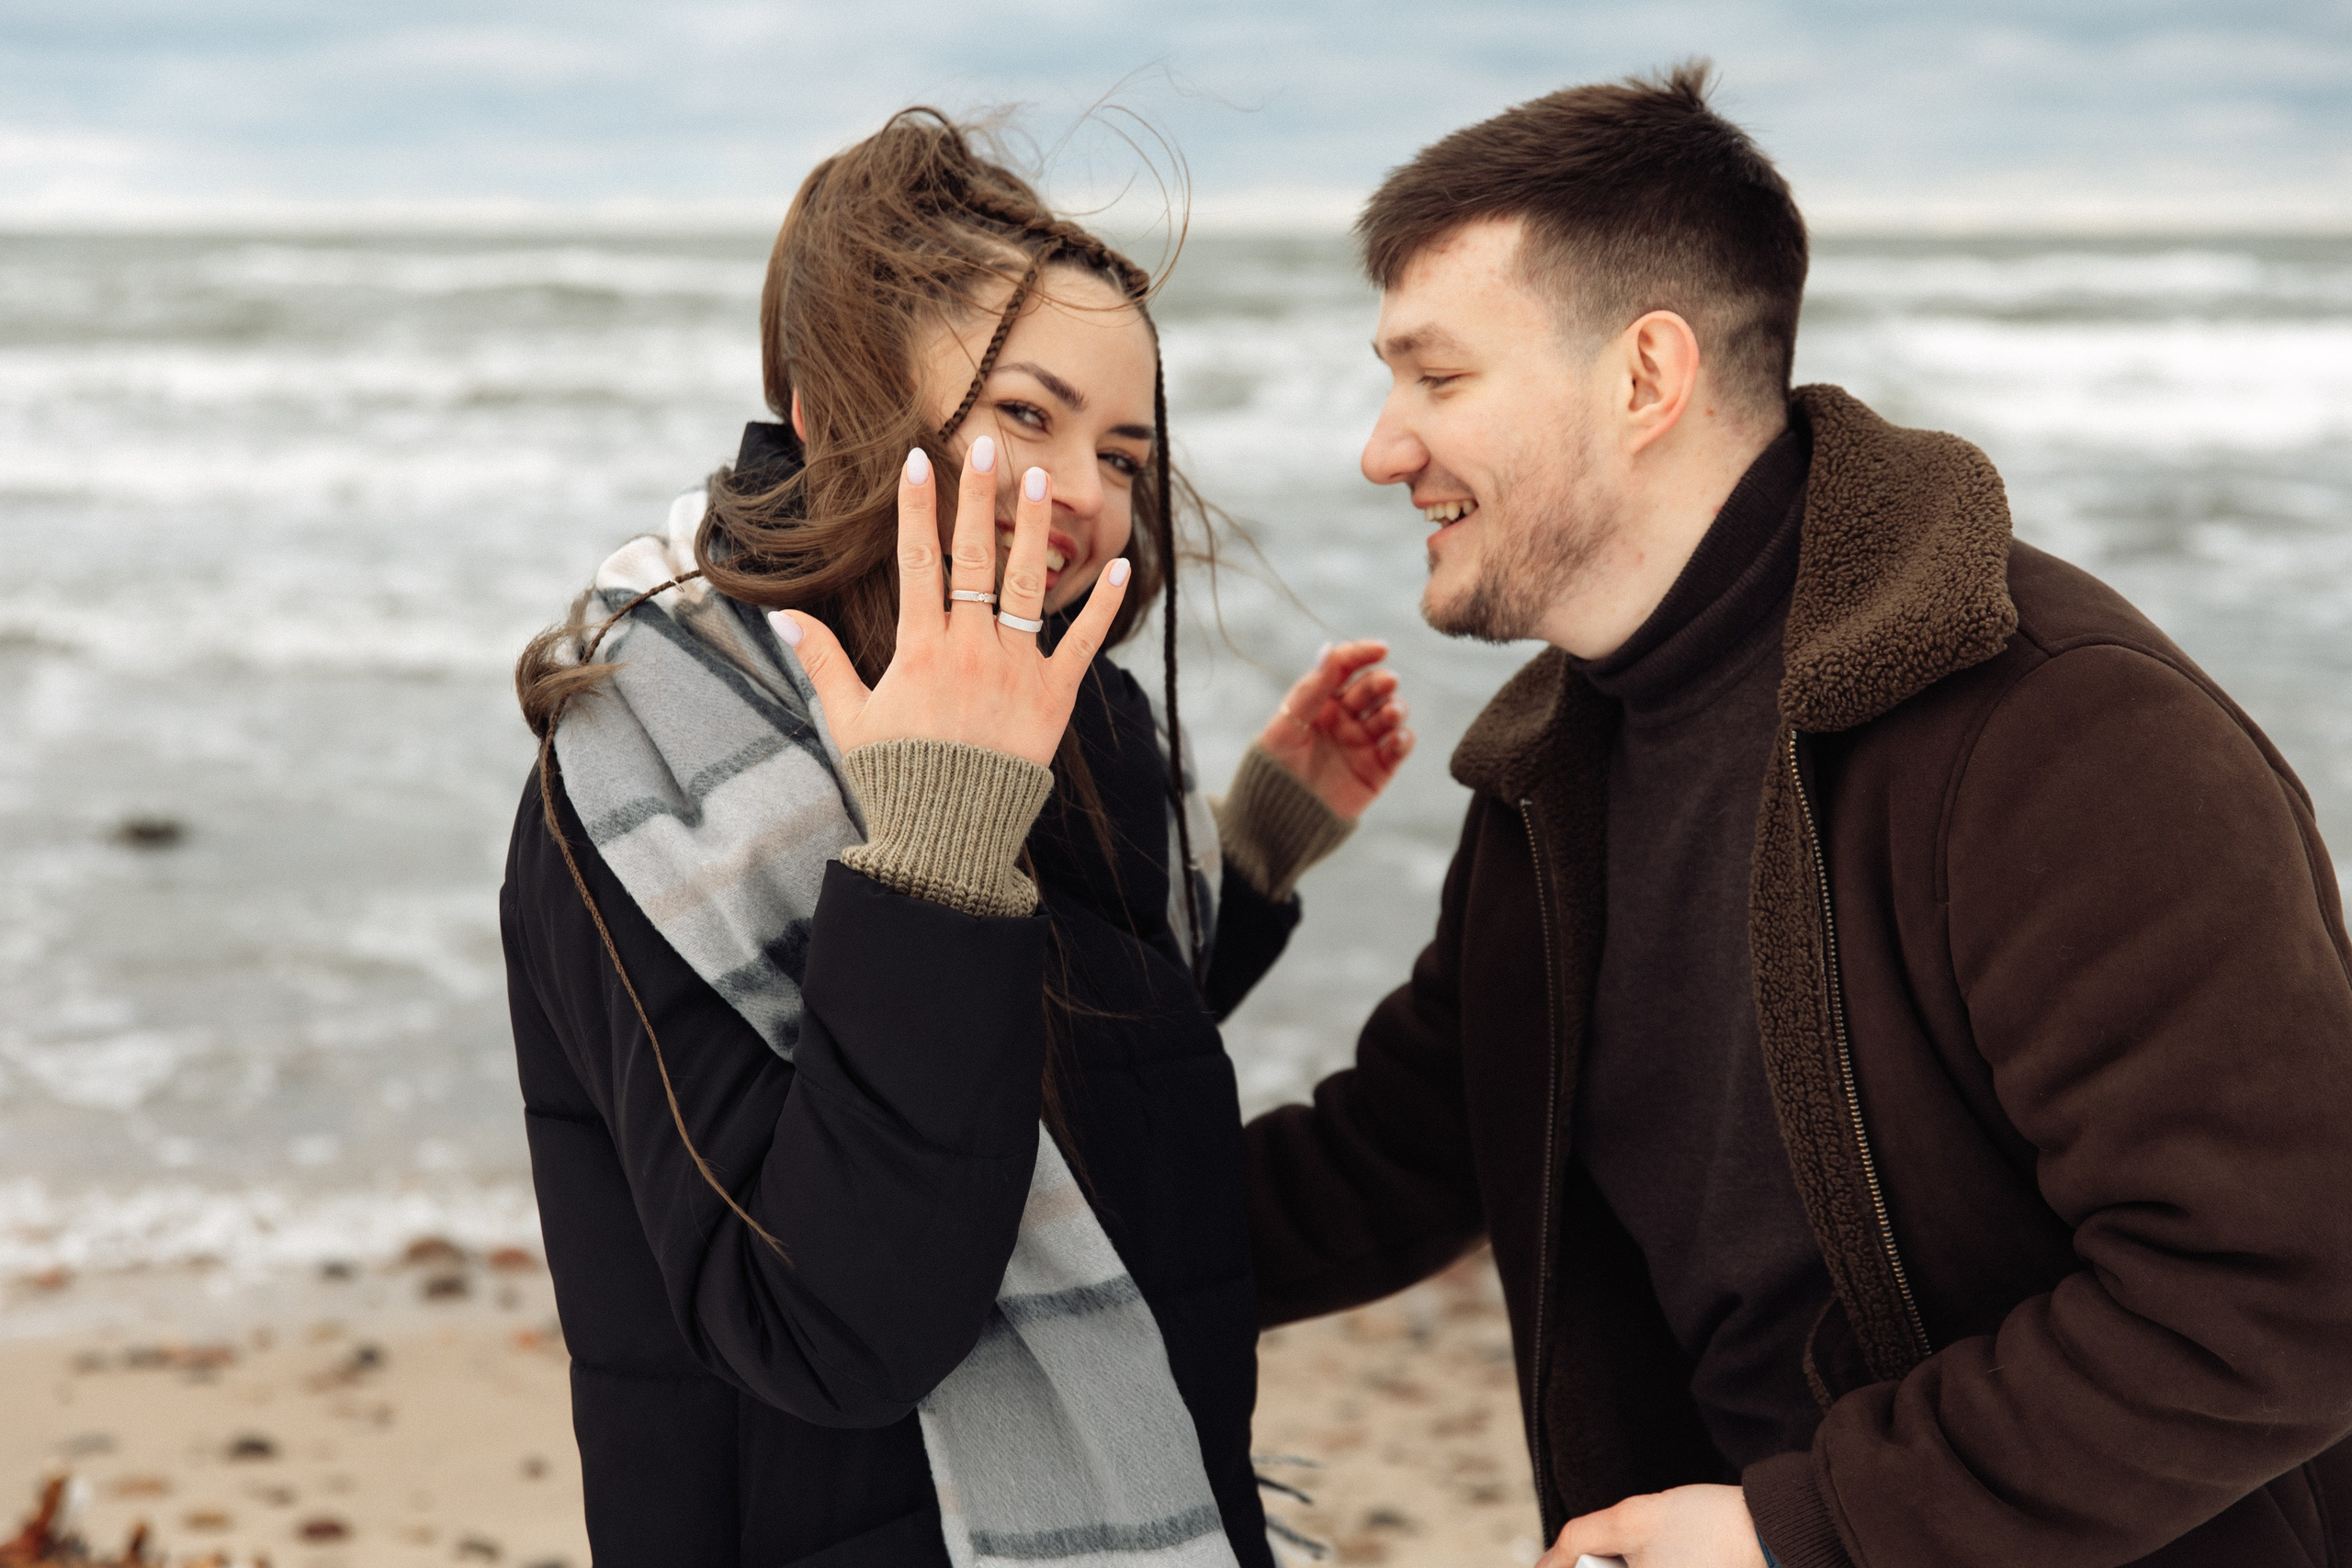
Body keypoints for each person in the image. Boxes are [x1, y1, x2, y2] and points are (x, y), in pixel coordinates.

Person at [1241, 62, 2352, 1568]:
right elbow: (1385, 1165)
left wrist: (1804, 1529)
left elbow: (2288, 1282)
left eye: (1437, 380)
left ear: (1645, 377)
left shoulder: (2057, 732)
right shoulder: (1555, 778)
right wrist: (969, 1191)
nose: (1382, 447)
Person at [499, 109, 1408, 1568]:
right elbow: (834, 1322)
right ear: (833, 409)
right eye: (1029, 416)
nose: (1094, 498)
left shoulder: (1061, 703)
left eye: (1124, 449)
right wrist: (933, 858)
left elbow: (1056, 1068)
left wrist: (1246, 857)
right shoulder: (640, 772)